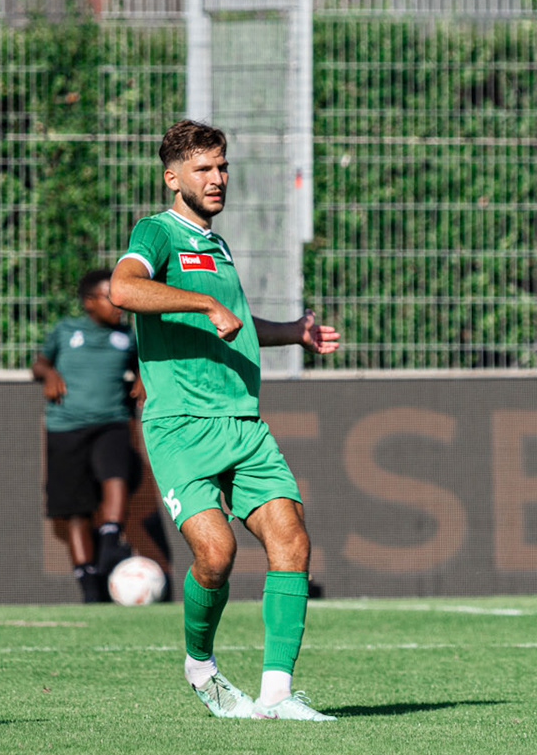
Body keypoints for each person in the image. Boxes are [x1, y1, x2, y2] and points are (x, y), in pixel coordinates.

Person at [110, 119, 340, 721]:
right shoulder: (156, 232)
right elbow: (124, 289)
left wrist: (293, 332)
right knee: (215, 555)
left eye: (223, 166)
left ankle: (277, 695)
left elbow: (232, 320)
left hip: (242, 421)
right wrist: (205, 301)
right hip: (182, 425)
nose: (217, 178)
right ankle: (201, 667)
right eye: (203, 169)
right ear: (173, 177)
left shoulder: (217, 245)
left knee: (290, 538)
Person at [34, 268, 147, 603]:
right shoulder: (66, 331)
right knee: (76, 511)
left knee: (116, 477)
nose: (119, 305)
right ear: (88, 302)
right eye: (111, 297)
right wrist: (49, 372)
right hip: (66, 427)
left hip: (111, 422)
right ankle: (90, 587)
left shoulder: (128, 336)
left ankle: (110, 545)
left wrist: (143, 376)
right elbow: (39, 363)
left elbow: (145, 362)